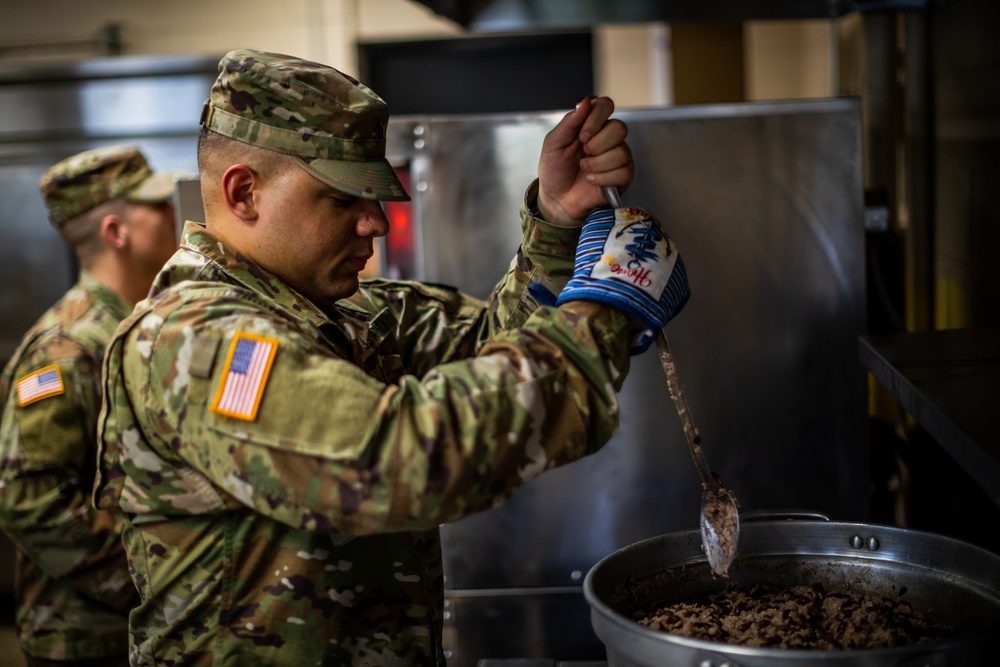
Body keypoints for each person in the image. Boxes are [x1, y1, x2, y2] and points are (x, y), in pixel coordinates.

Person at [93, 49, 689, 666]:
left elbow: (496, 349)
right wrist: (606, 310)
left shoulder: (347, 313)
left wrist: (559, 221)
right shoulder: (191, 340)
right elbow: (389, 457)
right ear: (244, 192)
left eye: (374, 197)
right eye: (342, 199)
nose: (375, 224)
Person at [0, 145, 180, 667]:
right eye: (157, 205)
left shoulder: (135, 325)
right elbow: (29, 498)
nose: (174, 214)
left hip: (136, 630)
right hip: (87, 638)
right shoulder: (66, 347)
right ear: (115, 232)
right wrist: (147, 582)